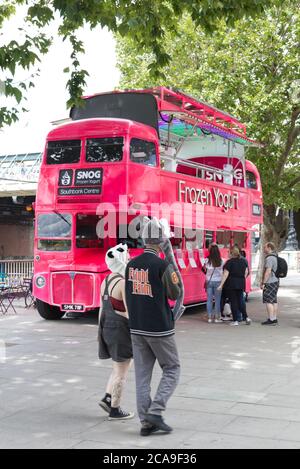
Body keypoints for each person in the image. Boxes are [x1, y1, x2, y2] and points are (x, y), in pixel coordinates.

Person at [125, 219, 182, 436]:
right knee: (172, 368)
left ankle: (145, 422)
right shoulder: (162, 265)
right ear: (161, 241)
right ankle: (156, 412)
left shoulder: (131, 265)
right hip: (159, 328)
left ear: (144, 240)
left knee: (142, 376)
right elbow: (175, 293)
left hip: (137, 327)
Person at [98, 243, 134, 420]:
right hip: (121, 329)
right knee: (122, 371)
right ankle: (115, 409)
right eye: (127, 256)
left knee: (116, 367)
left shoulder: (106, 280)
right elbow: (129, 310)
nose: (129, 258)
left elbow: (101, 308)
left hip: (107, 327)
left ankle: (107, 397)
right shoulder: (124, 282)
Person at [218, 246, 251, 326]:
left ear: (231, 253)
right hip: (241, 283)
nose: (228, 253)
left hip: (231, 284)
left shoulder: (229, 262)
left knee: (233, 302)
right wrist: (242, 278)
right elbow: (246, 272)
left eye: (229, 252)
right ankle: (246, 317)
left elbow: (225, 274)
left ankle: (235, 320)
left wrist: (221, 285)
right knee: (241, 301)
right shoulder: (243, 261)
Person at [202, 243, 224, 323]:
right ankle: (217, 318)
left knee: (209, 300)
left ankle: (209, 318)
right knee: (217, 300)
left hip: (209, 281)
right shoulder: (221, 261)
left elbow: (204, 269)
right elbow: (222, 272)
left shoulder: (207, 260)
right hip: (218, 281)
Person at [261, 242, 280, 326]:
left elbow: (268, 271)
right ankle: (274, 318)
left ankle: (271, 319)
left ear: (269, 248)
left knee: (268, 300)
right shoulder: (276, 256)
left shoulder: (269, 258)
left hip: (270, 281)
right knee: (274, 300)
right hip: (276, 280)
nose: (264, 249)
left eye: (265, 247)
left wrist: (264, 283)